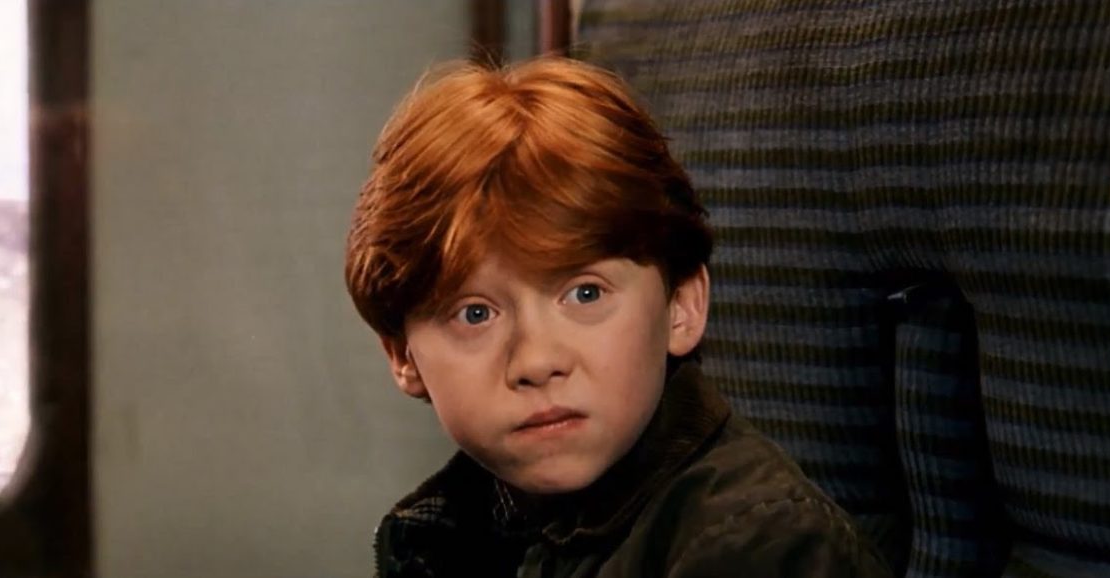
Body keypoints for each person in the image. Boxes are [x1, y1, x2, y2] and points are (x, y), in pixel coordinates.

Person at [344, 57, 890, 578]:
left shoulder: (761, 546)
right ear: (402, 354)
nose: (536, 361)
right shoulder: (459, 529)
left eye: (585, 294)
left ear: (682, 305)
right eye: (476, 313)